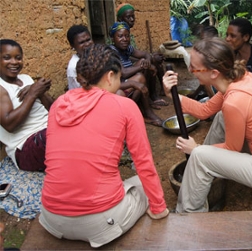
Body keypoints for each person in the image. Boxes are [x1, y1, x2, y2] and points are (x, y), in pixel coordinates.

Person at [39, 44, 169, 248]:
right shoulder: (124, 106)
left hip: (51, 218)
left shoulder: (58, 104)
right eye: (119, 79)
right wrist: (159, 208)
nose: (120, 84)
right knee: (142, 183)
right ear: (110, 76)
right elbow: (143, 162)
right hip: (100, 223)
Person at [162, 37, 252, 213]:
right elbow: (205, 110)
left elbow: (232, 148)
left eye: (194, 67)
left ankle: (189, 215)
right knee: (219, 120)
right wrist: (171, 95)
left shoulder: (234, 102)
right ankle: (203, 171)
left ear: (214, 73)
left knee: (199, 155)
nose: (190, 71)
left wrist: (196, 149)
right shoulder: (239, 79)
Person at [0, 39, 53, 172]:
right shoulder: (1, 87)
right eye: (7, 58)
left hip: (49, 132)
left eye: (18, 58)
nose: (14, 62)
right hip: (25, 147)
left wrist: (40, 92)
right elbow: (9, 124)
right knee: (61, 136)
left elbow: (54, 110)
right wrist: (32, 94)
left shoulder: (26, 78)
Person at [109, 22, 163, 126]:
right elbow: (123, 73)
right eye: (120, 36)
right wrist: (146, 66)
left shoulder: (127, 48)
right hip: (120, 84)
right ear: (112, 38)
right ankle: (145, 111)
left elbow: (146, 54)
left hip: (129, 80)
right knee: (140, 78)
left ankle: (144, 108)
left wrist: (147, 61)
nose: (124, 39)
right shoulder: (112, 51)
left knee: (143, 61)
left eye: (127, 36)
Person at [116, 3, 168, 99]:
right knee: (150, 62)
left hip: (130, 66)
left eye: (133, 16)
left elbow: (132, 53)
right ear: (120, 19)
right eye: (128, 17)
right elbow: (124, 60)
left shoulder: (128, 36)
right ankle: (153, 96)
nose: (132, 19)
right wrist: (147, 60)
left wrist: (150, 57)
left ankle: (161, 90)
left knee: (154, 59)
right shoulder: (116, 37)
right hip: (125, 71)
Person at [187, 25, 219, 100]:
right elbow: (204, 80)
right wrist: (195, 94)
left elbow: (206, 81)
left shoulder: (216, 57)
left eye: (204, 40)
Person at [66, 25, 94, 90]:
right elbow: (85, 91)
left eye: (88, 40)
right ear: (72, 45)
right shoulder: (73, 66)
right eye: (81, 42)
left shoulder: (94, 56)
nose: (87, 44)